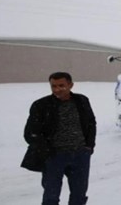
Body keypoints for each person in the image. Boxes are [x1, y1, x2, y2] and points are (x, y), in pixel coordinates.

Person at [23, 72, 97, 205]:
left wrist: (89, 147)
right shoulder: (41, 105)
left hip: (80, 155)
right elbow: (30, 133)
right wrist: (47, 151)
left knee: (79, 195)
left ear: (71, 85)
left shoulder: (81, 101)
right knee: (51, 197)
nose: (57, 89)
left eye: (61, 85)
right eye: (54, 86)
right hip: (54, 157)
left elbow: (91, 123)